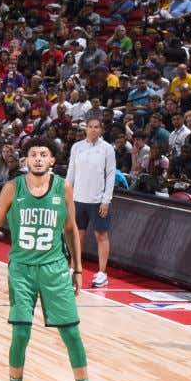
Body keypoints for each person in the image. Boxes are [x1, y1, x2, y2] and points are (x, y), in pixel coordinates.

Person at [0, 140, 104, 381]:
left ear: (52, 160)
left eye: (43, 155)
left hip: (54, 269)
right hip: (22, 269)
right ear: (26, 160)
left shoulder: (63, 187)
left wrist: (77, 269)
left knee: (72, 335)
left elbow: (71, 229)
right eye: (33, 155)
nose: (38, 159)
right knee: (21, 333)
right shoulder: (13, 188)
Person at [66, 116, 117, 287]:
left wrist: (106, 200)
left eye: (97, 127)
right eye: (90, 126)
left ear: (101, 129)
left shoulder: (107, 149)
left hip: (97, 201)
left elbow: (111, 175)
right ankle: (74, 269)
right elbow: (71, 172)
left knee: (101, 236)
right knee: (77, 236)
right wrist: (67, 195)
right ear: (85, 128)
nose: (93, 129)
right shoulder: (77, 147)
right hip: (78, 199)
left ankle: (102, 273)